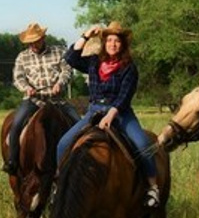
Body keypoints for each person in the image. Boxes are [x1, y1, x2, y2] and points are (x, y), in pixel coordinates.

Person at [55, 20, 160, 207]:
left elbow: (124, 96)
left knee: (143, 145)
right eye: (109, 40)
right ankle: (61, 184)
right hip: (93, 111)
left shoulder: (129, 67)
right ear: (104, 43)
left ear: (123, 45)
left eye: (117, 41)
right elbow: (70, 58)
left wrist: (111, 115)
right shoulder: (94, 62)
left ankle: (153, 187)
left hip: (120, 113)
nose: (113, 44)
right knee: (63, 143)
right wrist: (86, 35)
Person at [2, 22, 72, 175]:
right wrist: (26, 88)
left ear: (43, 38)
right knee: (16, 125)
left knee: (78, 123)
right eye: (30, 42)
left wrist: (60, 84)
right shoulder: (22, 57)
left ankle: (78, 161)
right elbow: (18, 78)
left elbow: (67, 70)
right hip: (34, 100)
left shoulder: (59, 52)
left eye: (36, 41)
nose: (33, 44)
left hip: (56, 100)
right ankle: (12, 161)